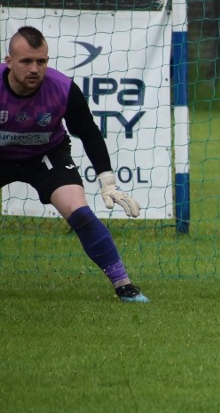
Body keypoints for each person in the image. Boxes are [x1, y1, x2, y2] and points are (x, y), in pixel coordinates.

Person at [0, 26, 148, 302]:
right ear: (9, 62)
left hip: (45, 155)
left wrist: (107, 180)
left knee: (79, 212)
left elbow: (88, 131)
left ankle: (124, 286)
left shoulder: (63, 89)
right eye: (26, 61)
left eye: (41, 61)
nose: (35, 68)